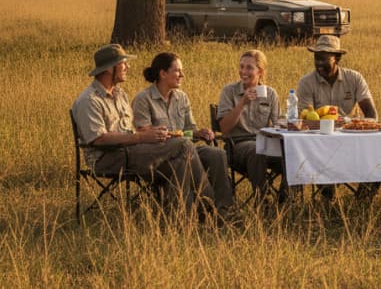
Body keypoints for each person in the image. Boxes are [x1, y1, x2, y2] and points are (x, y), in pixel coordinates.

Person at [71, 43, 211, 215]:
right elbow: (99, 139)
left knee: (180, 161)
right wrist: (141, 138)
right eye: (123, 63)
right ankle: (210, 207)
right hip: (106, 159)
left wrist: (150, 135)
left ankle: (182, 220)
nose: (127, 67)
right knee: (183, 144)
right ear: (109, 69)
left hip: (130, 152)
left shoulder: (119, 94)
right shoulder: (89, 100)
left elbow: (129, 131)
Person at [132, 52, 236, 221]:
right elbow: (143, 132)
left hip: (186, 148)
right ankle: (207, 206)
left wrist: (199, 133)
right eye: (177, 71)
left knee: (217, 154)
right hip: (160, 154)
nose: (182, 75)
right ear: (163, 73)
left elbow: (188, 130)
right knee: (184, 148)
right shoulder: (144, 99)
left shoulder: (182, 97)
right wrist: (173, 137)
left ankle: (225, 209)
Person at [217, 49, 281, 201]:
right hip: (237, 145)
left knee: (293, 152)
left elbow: (278, 122)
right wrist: (242, 103)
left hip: (266, 143)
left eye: (249, 67)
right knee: (256, 149)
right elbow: (224, 128)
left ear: (261, 72)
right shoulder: (229, 91)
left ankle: (285, 199)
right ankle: (263, 199)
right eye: (241, 67)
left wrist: (286, 126)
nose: (243, 71)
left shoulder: (270, 94)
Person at [296, 35, 377, 118]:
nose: (319, 63)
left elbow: (370, 111)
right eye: (316, 59)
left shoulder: (355, 79)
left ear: (337, 58)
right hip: (318, 129)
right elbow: (306, 118)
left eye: (323, 59)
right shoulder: (306, 83)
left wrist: (368, 126)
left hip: (349, 129)